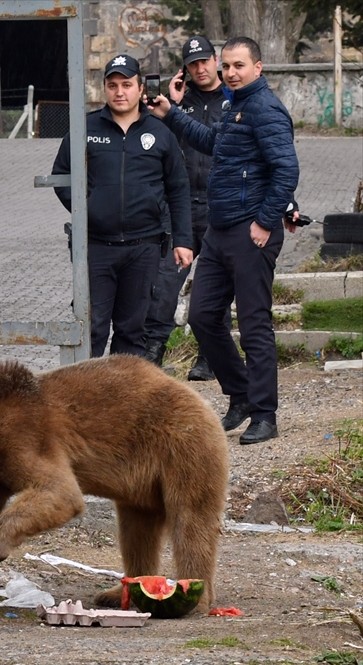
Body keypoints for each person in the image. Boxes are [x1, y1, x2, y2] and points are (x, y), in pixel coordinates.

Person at [148, 37, 301, 445]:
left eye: (239, 66)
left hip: (251, 232)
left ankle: (264, 415)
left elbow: (286, 169)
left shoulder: (266, 109)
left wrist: (265, 221)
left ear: (258, 67)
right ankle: (241, 394)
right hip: (219, 231)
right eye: (227, 66)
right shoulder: (236, 105)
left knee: (253, 325)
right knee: (202, 317)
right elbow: (213, 142)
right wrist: (170, 113)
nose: (230, 73)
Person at [52, 54, 193, 358]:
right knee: (90, 327)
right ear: (104, 88)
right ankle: (85, 388)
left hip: (144, 248)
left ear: (140, 89)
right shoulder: (85, 128)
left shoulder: (160, 132)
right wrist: (89, 208)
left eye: (127, 85)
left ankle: (121, 389)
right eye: (112, 85)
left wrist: (183, 240)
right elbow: (61, 176)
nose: (119, 92)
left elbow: (178, 189)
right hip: (95, 247)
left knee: (132, 331)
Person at [142, 35, 224, 380]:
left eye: (204, 61)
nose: (200, 69)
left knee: (215, 286)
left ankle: (210, 358)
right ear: (185, 69)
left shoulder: (233, 99)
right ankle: (151, 353)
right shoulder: (175, 102)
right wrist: (171, 107)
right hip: (181, 208)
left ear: (216, 60)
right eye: (193, 64)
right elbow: (155, 143)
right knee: (163, 285)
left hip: (220, 207)